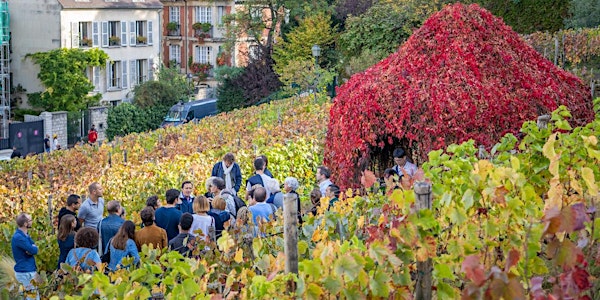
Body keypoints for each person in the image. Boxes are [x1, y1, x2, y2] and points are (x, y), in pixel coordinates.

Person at [11, 213, 39, 299]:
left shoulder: (25, 235)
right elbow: (34, 250)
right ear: (25, 224)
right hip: (25, 272)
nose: (32, 222)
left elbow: (33, 247)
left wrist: (32, 248)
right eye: (30, 220)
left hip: (28, 270)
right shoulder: (19, 237)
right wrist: (32, 248)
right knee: (31, 298)